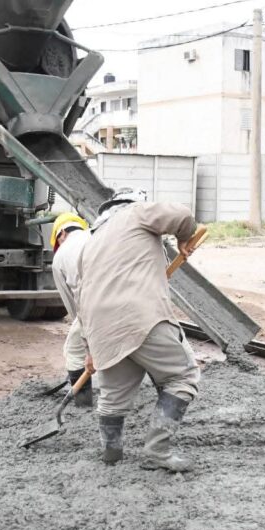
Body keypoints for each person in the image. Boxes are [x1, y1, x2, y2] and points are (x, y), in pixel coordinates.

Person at [77, 188, 200, 472]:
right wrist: (184, 238)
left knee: (113, 395)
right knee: (182, 376)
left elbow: (80, 297)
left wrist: (89, 348)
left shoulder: (91, 244)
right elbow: (182, 215)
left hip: (100, 327)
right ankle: (157, 450)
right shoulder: (135, 212)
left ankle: (111, 453)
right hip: (140, 315)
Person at [49, 212, 92, 406]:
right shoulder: (96, 235)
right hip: (130, 297)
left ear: (62, 233)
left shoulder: (60, 256)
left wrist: (87, 339)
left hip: (93, 306)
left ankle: (83, 405)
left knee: (74, 352)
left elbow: (74, 308)